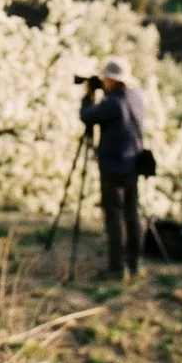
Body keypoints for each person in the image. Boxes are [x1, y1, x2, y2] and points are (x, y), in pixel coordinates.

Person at [79, 56, 148, 280]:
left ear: (111, 80)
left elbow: (87, 116)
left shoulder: (112, 103)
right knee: (132, 213)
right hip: (134, 162)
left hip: (113, 165)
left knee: (114, 216)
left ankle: (117, 269)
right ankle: (134, 263)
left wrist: (88, 96)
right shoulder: (135, 97)